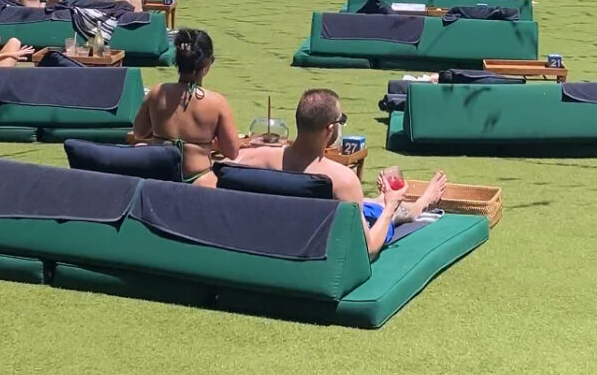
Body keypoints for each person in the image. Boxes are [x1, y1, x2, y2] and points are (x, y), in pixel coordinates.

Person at [234, 88, 447, 258]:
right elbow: (369, 249)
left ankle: (383, 199)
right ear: (330, 129)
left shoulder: (255, 158)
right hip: (321, 245)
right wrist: (391, 206)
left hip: (279, 235)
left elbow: (221, 168)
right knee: (390, 210)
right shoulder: (341, 179)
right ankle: (423, 201)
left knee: (370, 202)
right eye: (340, 120)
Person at [131, 28, 240, 184]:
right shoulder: (217, 103)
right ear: (208, 64)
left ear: (177, 61)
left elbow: (139, 132)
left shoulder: (156, 93)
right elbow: (232, 152)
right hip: (199, 179)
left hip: (159, 177)